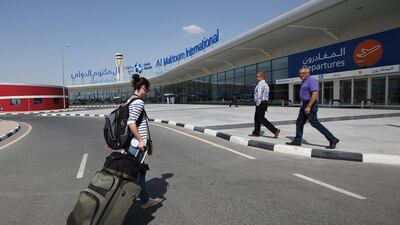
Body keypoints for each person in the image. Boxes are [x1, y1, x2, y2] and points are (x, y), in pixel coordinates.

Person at [127, 74, 163, 209]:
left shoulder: (130, 100)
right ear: (142, 87)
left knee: (140, 172)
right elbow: (131, 122)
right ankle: (124, 200)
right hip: (137, 146)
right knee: (133, 174)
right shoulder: (138, 102)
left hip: (134, 144)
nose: (146, 93)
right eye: (146, 90)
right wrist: (141, 140)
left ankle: (145, 199)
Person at [286, 67, 340, 149]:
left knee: (315, 123)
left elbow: (315, 94)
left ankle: (332, 139)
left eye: (303, 73)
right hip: (304, 104)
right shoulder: (304, 81)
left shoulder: (311, 80)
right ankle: (297, 140)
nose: (301, 75)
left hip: (310, 104)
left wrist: (309, 106)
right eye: (300, 73)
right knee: (299, 122)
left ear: (308, 73)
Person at [249, 72, 280, 138]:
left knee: (261, 119)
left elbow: (259, 95)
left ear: (261, 77)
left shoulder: (261, 84)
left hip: (261, 102)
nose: (256, 78)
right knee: (257, 118)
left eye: (257, 76)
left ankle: (275, 130)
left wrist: (258, 103)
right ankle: (256, 132)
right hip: (264, 102)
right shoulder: (265, 84)